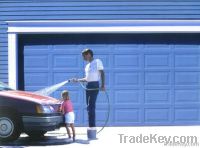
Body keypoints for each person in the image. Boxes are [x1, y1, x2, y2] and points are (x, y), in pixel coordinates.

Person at [73, 48, 105, 128]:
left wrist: (103, 85)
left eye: (84, 56)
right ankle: (91, 125)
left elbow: (102, 73)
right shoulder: (87, 66)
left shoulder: (97, 61)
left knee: (91, 106)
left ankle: (92, 127)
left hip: (95, 85)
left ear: (89, 54)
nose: (83, 58)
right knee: (88, 106)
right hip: (88, 86)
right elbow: (87, 79)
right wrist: (77, 80)